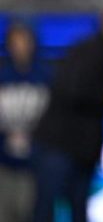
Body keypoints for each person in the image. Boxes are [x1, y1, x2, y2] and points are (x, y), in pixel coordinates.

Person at [32, 3, 103, 222]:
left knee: (77, 208)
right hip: (61, 145)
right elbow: (73, 90)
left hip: (79, 149)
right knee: (48, 207)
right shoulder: (92, 50)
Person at [0, 22, 50, 222]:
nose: (20, 46)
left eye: (24, 40)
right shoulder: (3, 78)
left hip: (36, 168)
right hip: (4, 167)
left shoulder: (45, 78)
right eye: (15, 41)